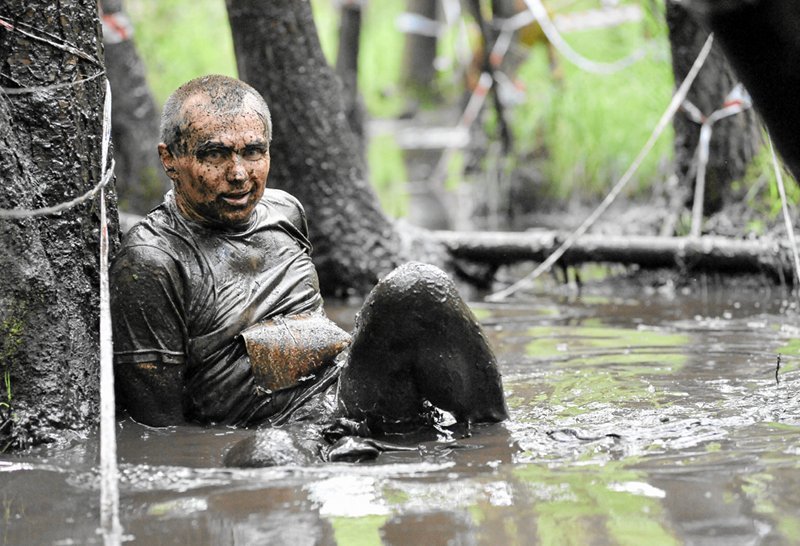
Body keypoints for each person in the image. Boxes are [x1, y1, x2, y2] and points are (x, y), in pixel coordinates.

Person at [110, 75, 507, 435]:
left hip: (354, 398)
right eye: (215, 154)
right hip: (278, 436)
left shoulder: (285, 211)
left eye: (253, 152)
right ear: (170, 160)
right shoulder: (151, 262)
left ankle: (495, 438)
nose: (238, 173)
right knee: (268, 456)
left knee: (418, 287)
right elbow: (159, 429)